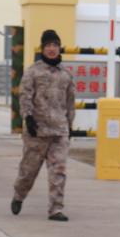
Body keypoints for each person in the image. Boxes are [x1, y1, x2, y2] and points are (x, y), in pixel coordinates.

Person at [11, 29, 75, 222]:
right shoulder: (33, 72)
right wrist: (28, 118)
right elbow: (25, 96)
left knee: (59, 171)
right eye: (48, 45)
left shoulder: (66, 75)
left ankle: (55, 209)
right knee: (28, 171)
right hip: (37, 131)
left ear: (59, 48)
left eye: (55, 45)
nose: (51, 49)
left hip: (59, 131)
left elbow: (70, 102)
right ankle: (19, 195)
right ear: (42, 48)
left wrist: (70, 125)